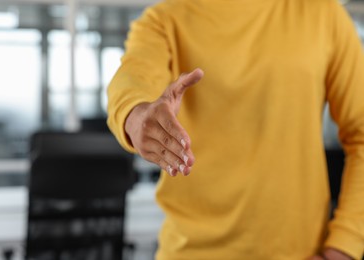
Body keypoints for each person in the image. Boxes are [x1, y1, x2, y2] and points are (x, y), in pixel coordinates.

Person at [107, 0, 364, 259]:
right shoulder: (164, 20)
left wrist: (342, 248)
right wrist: (136, 114)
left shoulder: (323, 14)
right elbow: (133, 77)